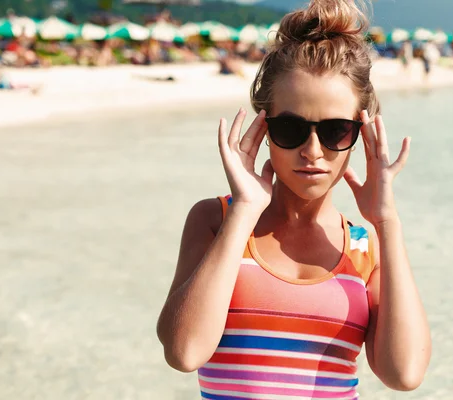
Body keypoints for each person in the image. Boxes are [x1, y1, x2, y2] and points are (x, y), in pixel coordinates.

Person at [156, 0, 431, 397]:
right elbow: (184, 352)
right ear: (263, 127)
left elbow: (404, 374)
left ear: (362, 135)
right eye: (291, 128)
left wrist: (387, 224)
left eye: (336, 130)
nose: (313, 150)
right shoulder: (216, 220)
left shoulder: (364, 246)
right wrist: (245, 213)